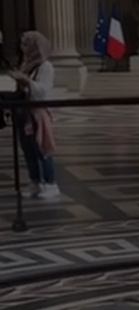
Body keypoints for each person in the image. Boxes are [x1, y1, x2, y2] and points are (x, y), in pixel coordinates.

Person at [9, 31, 59, 199]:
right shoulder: (26, 65)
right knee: (28, 150)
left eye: (27, 44)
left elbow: (43, 91)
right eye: (22, 44)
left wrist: (27, 81)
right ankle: (35, 181)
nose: (24, 48)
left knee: (42, 149)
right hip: (24, 113)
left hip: (38, 113)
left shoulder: (46, 67)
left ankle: (51, 183)